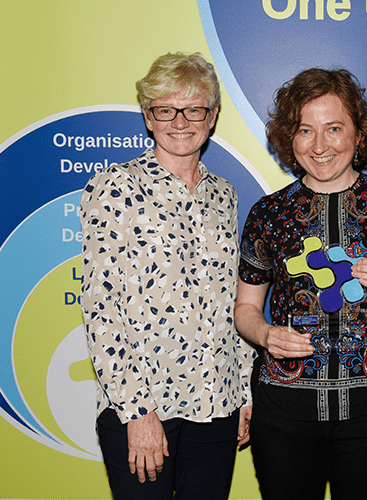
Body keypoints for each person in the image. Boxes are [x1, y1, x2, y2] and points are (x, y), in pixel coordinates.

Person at [235, 68, 367, 500]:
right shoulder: (268, 213)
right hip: (284, 410)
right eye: (305, 130)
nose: (320, 146)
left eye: (334, 128)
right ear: (290, 137)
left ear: (359, 134)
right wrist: (265, 334)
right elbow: (245, 308)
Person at [80, 52, 256, 500]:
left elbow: (232, 298)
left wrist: (242, 392)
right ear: (148, 116)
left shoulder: (224, 194)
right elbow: (101, 308)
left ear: (212, 116)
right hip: (143, 405)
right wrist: (137, 413)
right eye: (165, 109)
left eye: (194, 109)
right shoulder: (115, 187)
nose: (180, 121)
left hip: (216, 401)